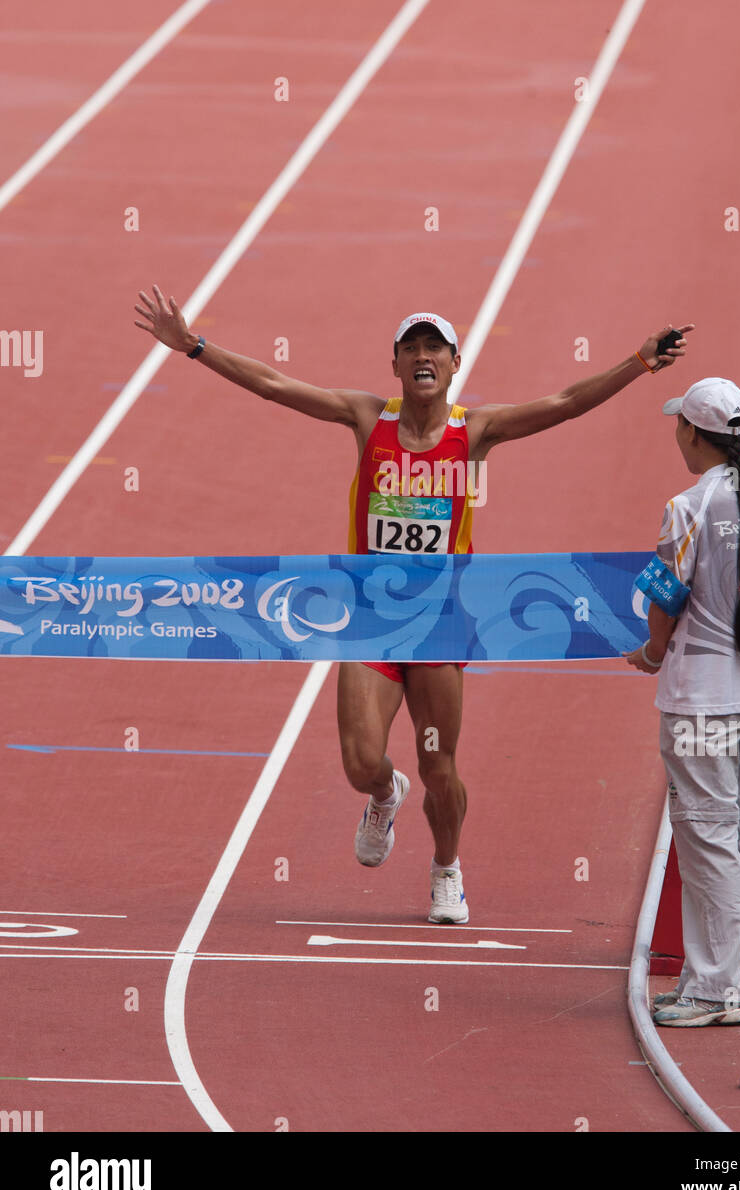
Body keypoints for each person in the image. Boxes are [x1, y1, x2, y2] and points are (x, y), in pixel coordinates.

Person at [135, 286, 692, 923]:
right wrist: (195, 347)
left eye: (436, 348)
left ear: (455, 365)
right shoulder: (366, 417)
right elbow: (273, 384)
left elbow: (565, 404)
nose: (424, 356)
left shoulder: (475, 431)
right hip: (369, 622)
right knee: (360, 761)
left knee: (438, 763)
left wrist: (640, 363)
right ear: (394, 365)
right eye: (412, 348)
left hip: (439, 626)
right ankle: (381, 794)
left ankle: (447, 868)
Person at [625, 378, 740, 1026]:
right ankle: (725, 979)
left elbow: (664, 602)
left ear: (694, 434)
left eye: (680, 426)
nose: (677, 436)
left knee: (708, 836)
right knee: (739, 831)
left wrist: (648, 653)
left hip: (701, 700)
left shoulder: (686, 506)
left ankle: (715, 990)